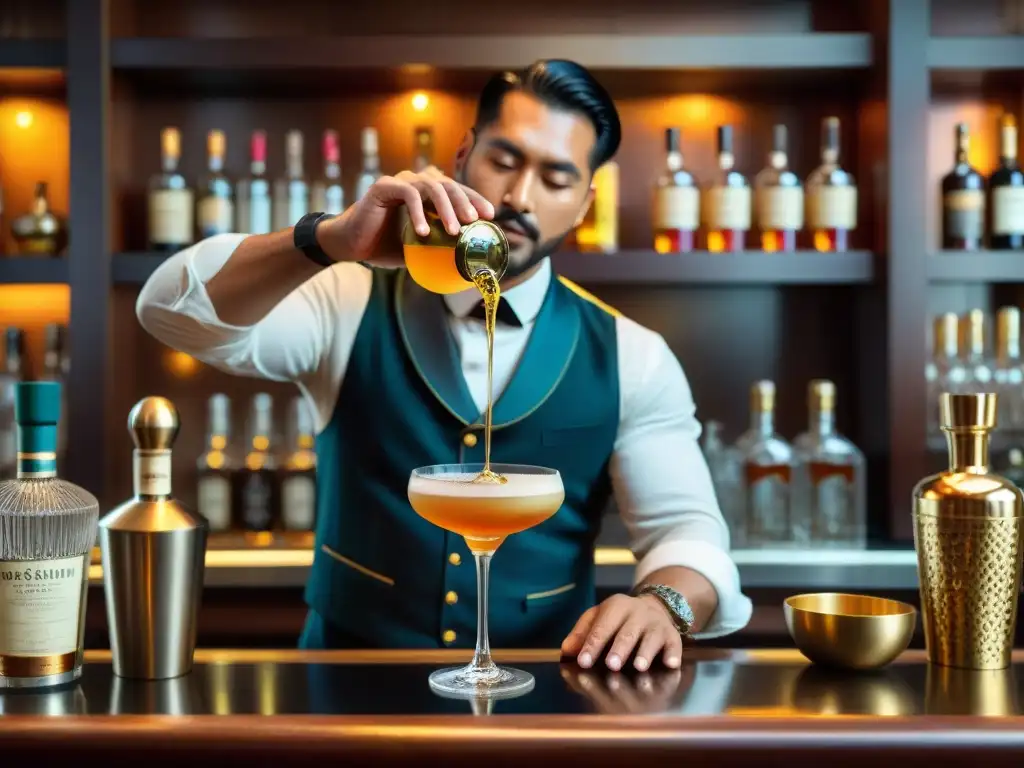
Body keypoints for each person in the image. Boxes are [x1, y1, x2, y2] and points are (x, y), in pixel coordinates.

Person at [136, 59, 752, 672]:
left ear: (586, 202)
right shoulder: (345, 300)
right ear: (463, 155)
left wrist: (663, 604)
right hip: (349, 696)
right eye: (504, 161)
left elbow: (686, 532)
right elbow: (168, 308)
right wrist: (326, 241)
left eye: (557, 178)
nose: (518, 197)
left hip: (547, 699)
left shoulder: (631, 355)